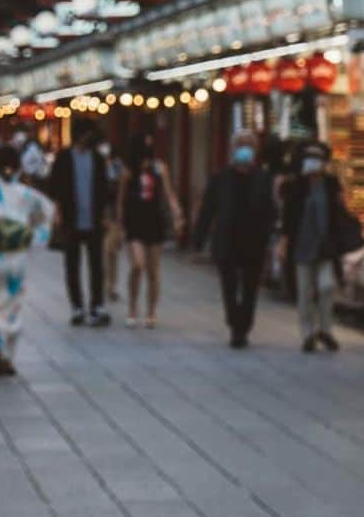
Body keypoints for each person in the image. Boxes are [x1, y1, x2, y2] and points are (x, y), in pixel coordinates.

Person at [0, 144, 55, 377]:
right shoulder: (27, 195)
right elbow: (49, 213)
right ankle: (8, 356)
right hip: (16, 258)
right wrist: (34, 239)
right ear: (18, 166)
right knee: (13, 305)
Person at [193, 129, 275, 349]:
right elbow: (207, 209)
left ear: (256, 150)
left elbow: (270, 211)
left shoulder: (263, 178)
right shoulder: (221, 178)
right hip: (227, 240)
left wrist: (271, 241)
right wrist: (198, 240)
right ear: (233, 149)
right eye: (241, 144)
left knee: (250, 288)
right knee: (229, 286)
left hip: (254, 242)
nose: (245, 149)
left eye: (249, 145)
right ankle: (234, 322)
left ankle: (243, 327)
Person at [278, 141, 350, 353]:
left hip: (326, 247)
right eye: (310, 158)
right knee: (305, 291)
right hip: (302, 246)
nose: (314, 162)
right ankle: (308, 333)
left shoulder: (330, 184)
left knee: (327, 286)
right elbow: (288, 216)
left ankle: (326, 330)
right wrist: (284, 242)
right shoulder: (295, 185)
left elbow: (339, 213)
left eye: (317, 158)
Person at [48, 118, 112, 326]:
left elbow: (104, 189)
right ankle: (77, 306)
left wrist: (105, 215)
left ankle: (97, 305)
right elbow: (55, 186)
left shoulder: (98, 159)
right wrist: (57, 212)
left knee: (97, 266)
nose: (88, 138)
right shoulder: (64, 157)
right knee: (72, 265)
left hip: (93, 218)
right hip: (70, 218)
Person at [120, 132, 183, 329]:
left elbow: (168, 192)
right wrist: (119, 223)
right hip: (134, 222)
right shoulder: (128, 170)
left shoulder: (159, 167)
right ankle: (132, 307)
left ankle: (151, 311)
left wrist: (177, 214)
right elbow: (120, 200)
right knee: (137, 265)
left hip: (154, 221)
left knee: (153, 270)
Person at [100, 139, 125, 302]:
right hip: (99, 214)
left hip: (114, 214)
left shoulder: (118, 167)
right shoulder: (96, 166)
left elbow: (121, 193)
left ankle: (112, 285)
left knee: (111, 251)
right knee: (102, 252)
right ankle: (104, 284)